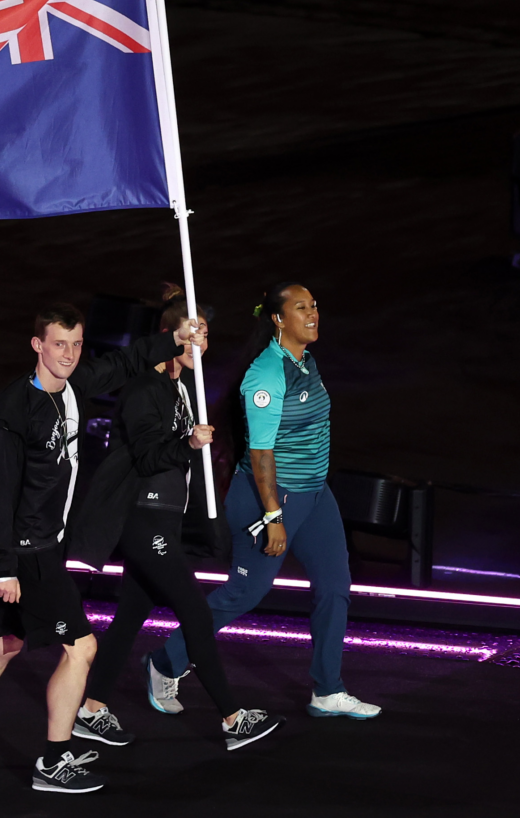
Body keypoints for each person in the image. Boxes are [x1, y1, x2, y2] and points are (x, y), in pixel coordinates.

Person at [0, 302, 205, 794]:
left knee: (7, 644)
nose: (69, 354)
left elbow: (122, 363)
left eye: (77, 344)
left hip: (46, 543)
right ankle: (53, 763)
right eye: (59, 344)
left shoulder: (72, 387)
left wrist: (177, 340)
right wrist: (1, 569)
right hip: (25, 550)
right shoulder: (15, 413)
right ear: (37, 346)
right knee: (81, 647)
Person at [143, 283, 381, 720]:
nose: (313, 315)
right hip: (269, 500)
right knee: (244, 593)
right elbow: (260, 454)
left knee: (334, 589)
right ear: (277, 319)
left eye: (314, 306)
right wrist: (273, 516)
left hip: (314, 495)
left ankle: (327, 690)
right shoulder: (266, 375)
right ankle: (165, 660)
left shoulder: (305, 361)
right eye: (301, 308)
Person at [67, 285, 284, 752]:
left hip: (165, 519)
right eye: (193, 335)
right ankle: (231, 718)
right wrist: (187, 444)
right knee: (195, 612)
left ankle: (91, 709)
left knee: (129, 618)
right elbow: (146, 456)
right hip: (142, 517)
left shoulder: (184, 385)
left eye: (206, 336)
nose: (201, 346)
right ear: (170, 335)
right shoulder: (146, 385)